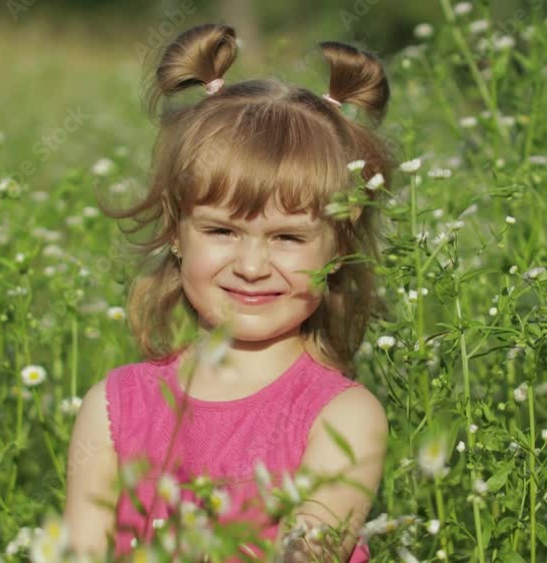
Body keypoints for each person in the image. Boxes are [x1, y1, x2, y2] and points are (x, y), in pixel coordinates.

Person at [63, 22, 397, 562]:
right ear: (176, 233)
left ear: (339, 249)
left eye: (288, 238)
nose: (251, 265)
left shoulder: (344, 418)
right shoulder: (114, 408)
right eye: (222, 231)